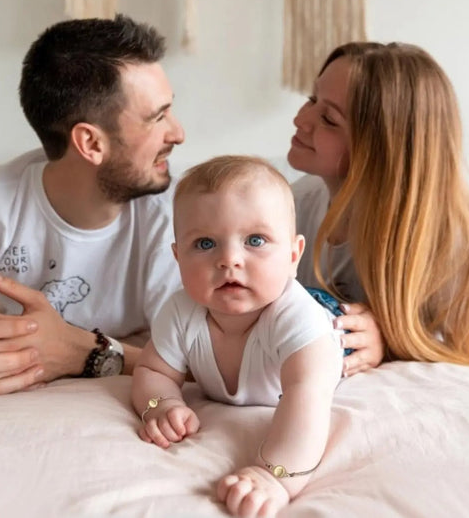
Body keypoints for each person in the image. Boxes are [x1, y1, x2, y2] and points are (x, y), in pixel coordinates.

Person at [0, 14, 185, 396]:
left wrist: (79, 352)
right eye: (157, 118)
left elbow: (207, 367)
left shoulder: (181, 216)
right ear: (90, 143)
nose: (178, 133)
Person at [131, 155, 344, 517]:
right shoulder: (180, 311)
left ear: (294, 255)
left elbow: (306, 399)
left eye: (255, 240)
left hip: (324, 320)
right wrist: (161, 405)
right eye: (204, 244)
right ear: (178, 256)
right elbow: (153, 373)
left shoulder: (298, 320)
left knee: (323, 360)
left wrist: (275, 477)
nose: (229, 259)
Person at [289, 41, 469, 371]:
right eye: (311, 99)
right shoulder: (293, 205)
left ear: (383, 149)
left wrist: (389, 343)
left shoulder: (453, 247)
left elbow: (459, 355)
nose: (300, 119)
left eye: (329, 119)